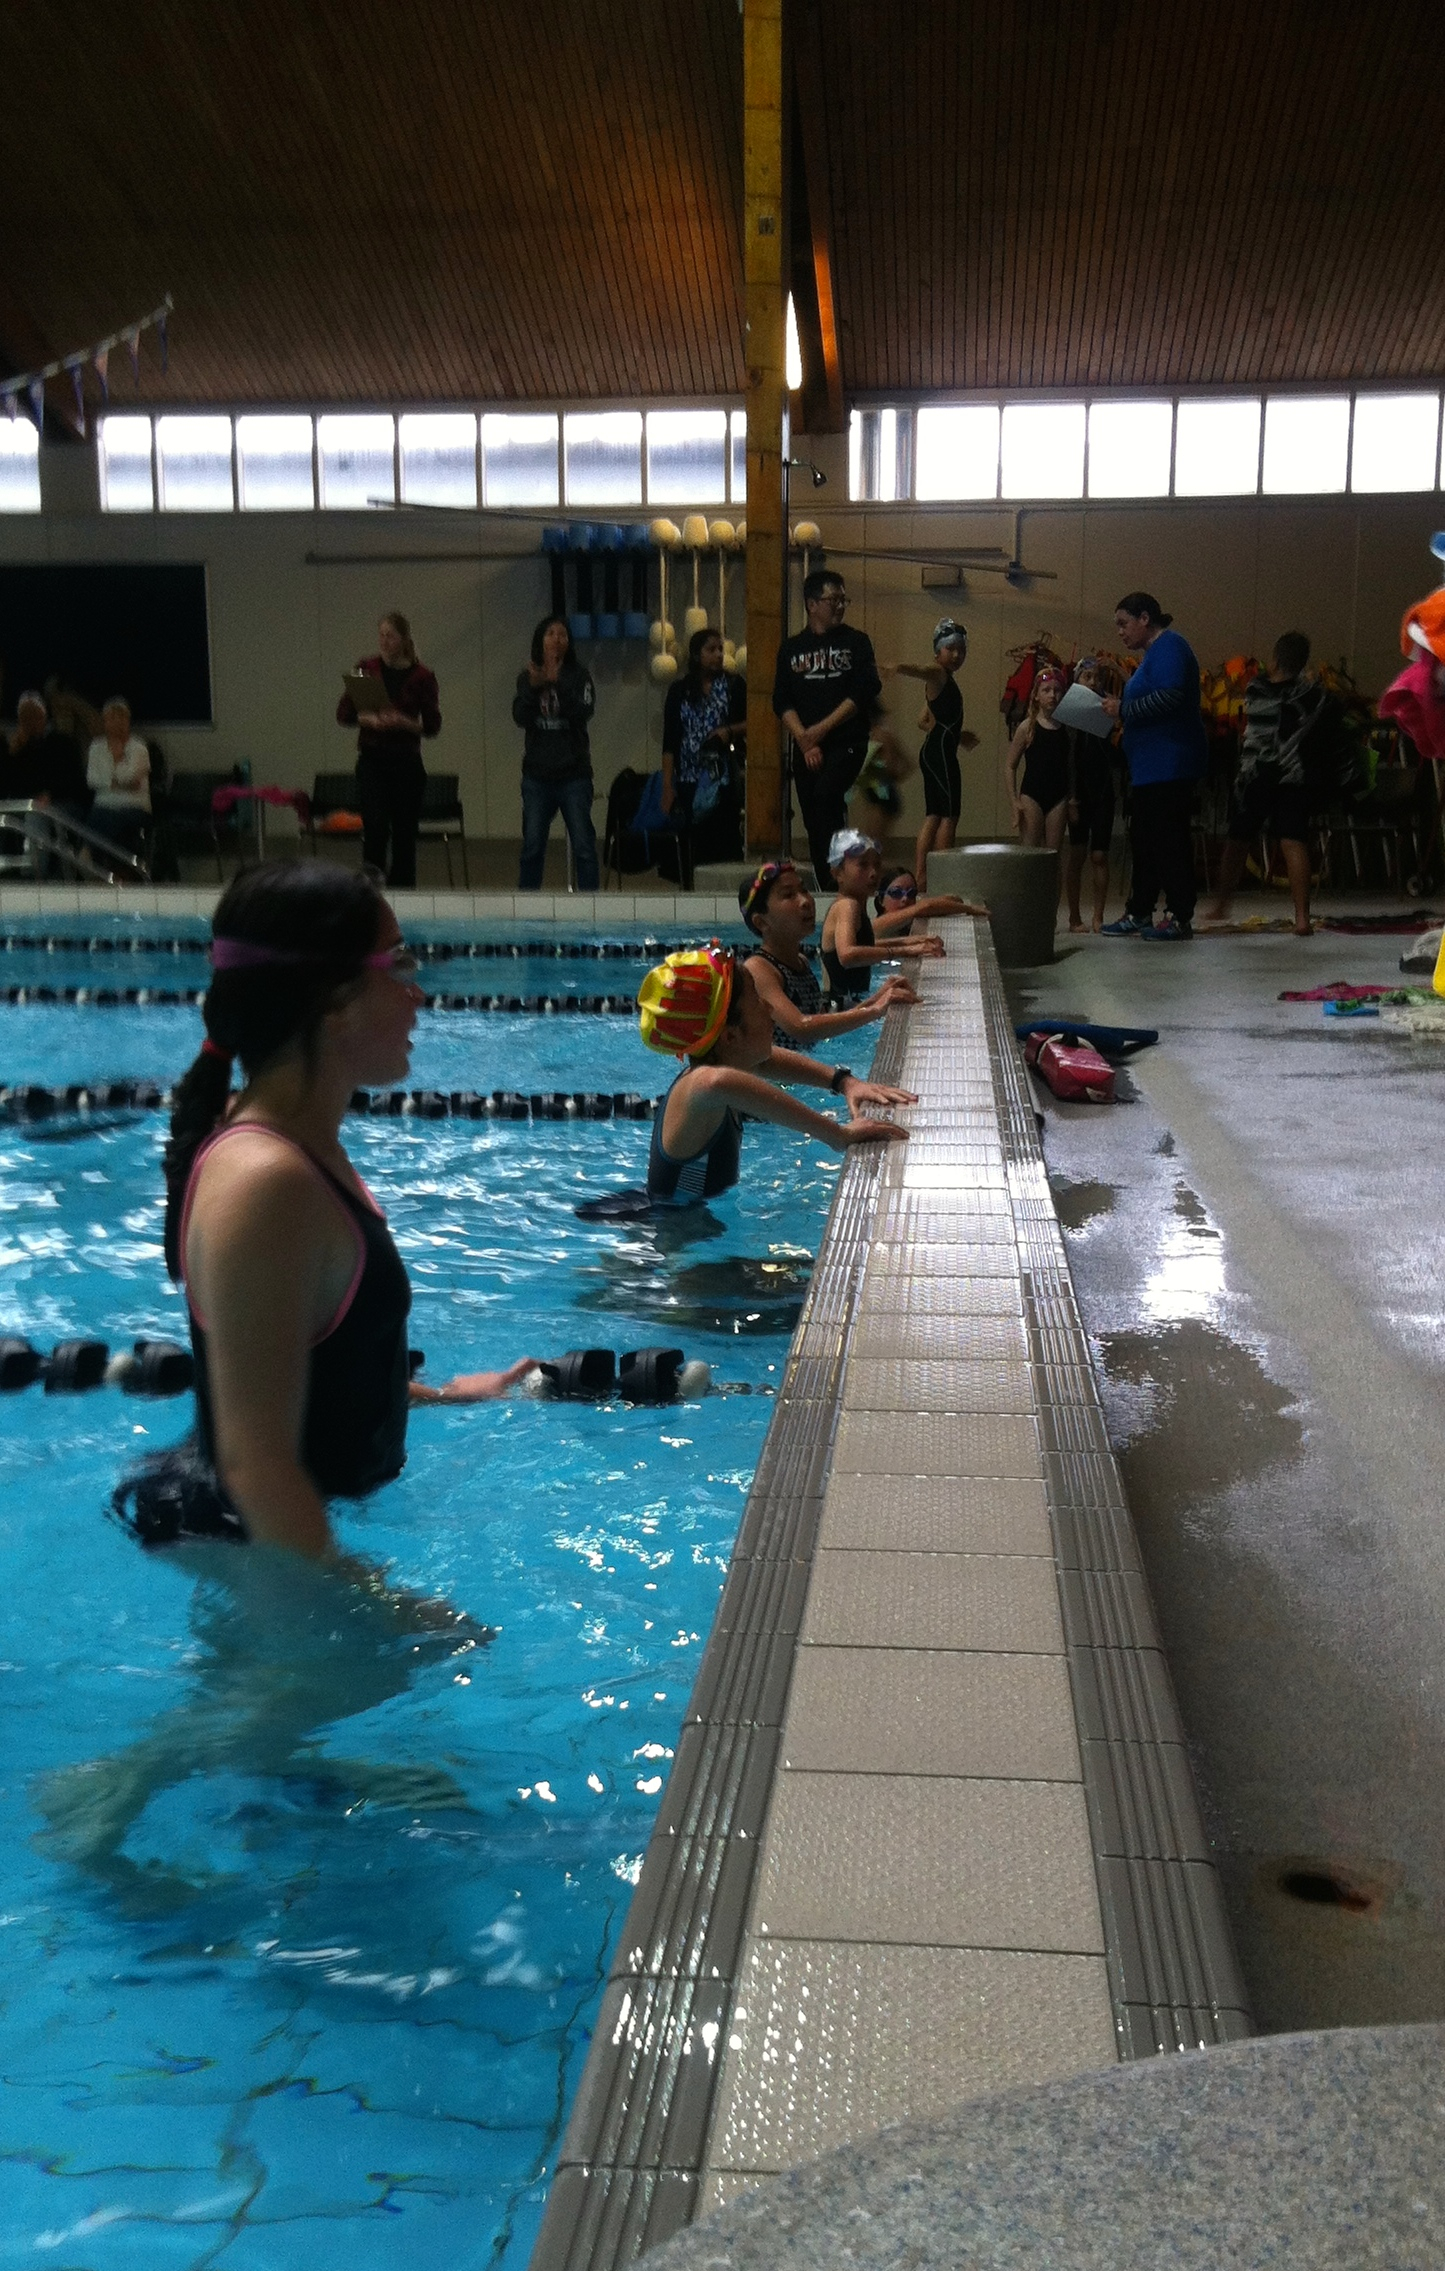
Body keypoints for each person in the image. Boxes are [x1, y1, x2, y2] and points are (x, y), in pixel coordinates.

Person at [114, 861, 537, 1558]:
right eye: (398, 964)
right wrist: (378, 1605)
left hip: (295, 1541)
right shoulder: (266, 1181)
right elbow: (256, 1472)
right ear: (334, 1000)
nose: (418, 992)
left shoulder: (295, 1147)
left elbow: (307, 1365)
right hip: (262, 1570)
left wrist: (440, 1396)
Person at [641, 945, 913, 1206]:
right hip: (671, 1228)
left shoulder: (729, 1061)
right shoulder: (698, 1089)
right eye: (757, 1001)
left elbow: (767, 1061)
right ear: (731, 1036)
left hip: (695, 1220)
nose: (769, 1008)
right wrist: (837, 1135)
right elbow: (716, 1082)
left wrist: (844, 1082)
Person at [1100, 592, 1208, 941]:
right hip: (1150, 767)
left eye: (1124, 623)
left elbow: (1171, 696)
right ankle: (1139, 910)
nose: (1120, 632)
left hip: (1170, 764)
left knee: (1169, 840)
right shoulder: (1152, 656)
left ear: (1145, 618)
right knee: (1144, 841)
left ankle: (1179, 915)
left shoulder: (1171, 646)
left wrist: (1124, 709)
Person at [1204, 633, 1327, 937]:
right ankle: (1302, 918)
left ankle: (1221, 905)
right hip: (1291, 775)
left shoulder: (1256, 688)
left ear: (1274, 659)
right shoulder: (1311, 694)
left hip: (1255, 775)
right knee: (1293, 841)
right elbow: (1322, 706)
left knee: (1237, 841)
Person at [773, 569, 882, 888]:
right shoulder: (791, 649)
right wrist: (804, 740)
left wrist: (819, 731)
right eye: (833, 600)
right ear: (811, 604)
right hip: (805, 745)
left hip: (845, 741)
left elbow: (863, 691)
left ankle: (843, 881)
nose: (840, 606)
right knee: (813, 817)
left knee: (826, 800)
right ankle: (827, 885)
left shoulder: (856, 642)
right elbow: (781, 700)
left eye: (843, 600)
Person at [739, 857, 919, 1049]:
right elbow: (801, 1028)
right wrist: (875, 1009)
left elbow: (822, 1027)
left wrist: (876, 999)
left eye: (804, 890)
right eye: (789, 895)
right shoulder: (759, 969)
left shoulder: (800, 962)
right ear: (761, 922)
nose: (805, 901)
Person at [335, 611, 441, 891]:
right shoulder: (365, 667)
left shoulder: (423, 676)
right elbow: (343, 714)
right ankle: (372, 889)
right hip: (373, 760)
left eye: (390, 636)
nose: (384, 641)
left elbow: (432, 726)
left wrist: (404, 722)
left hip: (406, 762)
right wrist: (367, 720)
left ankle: (403, 892)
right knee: (375, 827)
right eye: (381, 635)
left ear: (403, 640)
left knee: (405, 833)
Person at [820, 828, 982, 998]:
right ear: (837, 873)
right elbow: (847, 955)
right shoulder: (847, 906)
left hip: (845, 1003)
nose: (873, 873)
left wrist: (912, 942)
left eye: (876, 865)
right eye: (863, 865)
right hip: (840, 1007)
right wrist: (904, 951)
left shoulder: (851, 906)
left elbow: (865, 947)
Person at [888, 619, 980, 886]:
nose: (957, 655)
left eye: (961, 650)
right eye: (951, 649)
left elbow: (923, 720)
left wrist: (956, 735)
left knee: (934, 815)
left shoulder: (943, 681)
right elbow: (922, 669)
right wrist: (899, 667)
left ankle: (923, 875)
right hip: (940, 754)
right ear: (938, 651)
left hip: (933, 750)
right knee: (949, 816)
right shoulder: (938, 674)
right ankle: (941, 876)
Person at [513, 615, 599, 892]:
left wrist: (557, 683)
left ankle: (591, 905)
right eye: (550, 634)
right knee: (532, 845)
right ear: (540, 640)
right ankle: (527, 903)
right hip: (537, 776)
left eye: (562, 634)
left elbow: (583, 713)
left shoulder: (580, 676)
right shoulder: (528, 676)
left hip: (574, 774)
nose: (556, 639)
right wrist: (535, 686)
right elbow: (520, 716)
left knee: (584, 845)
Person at [658, 626, 746, 879]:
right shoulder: (680, 690)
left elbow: (753, 721)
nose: (718, 655)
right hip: (689, 777)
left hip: (722, 777)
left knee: (724, 839)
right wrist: (667, 784)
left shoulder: (733, 685)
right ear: (697, 655)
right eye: (711, 650)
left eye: (720, 649)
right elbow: (670, 740)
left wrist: (728, 731)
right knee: (692, 842)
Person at [2, 692, 91, 875]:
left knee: (36, 815)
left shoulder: (63, 742)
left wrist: (51, 795)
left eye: (33, 716)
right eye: (24, 717)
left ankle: (35, 875)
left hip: (64, 803)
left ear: (43, 716)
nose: (29, 722)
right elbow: (9, 785)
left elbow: (76, 783)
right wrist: (12, 755)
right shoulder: (18, 748)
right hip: (27, 803)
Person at [1063, 658, 1119, 933]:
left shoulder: (1107, 709)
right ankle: (1074, 916)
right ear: (1077, 681)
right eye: (1087, 677)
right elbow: (1068, 760)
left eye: (1097, 677)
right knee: (1076, 855)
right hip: (1079, 793)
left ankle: (1098, 916)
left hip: (1102, 791)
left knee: (1099, 855)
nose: (1093, 682)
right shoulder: (1069, 716)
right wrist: (1071, 797)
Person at [1005, 666, 1071, 849]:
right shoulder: (1027, 727)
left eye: (1057, 691)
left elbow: (1070, 765)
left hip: (1059, 796)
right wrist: (1014, 802)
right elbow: (1010, 766)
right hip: (1031, 795)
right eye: (1046, 690)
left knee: (1053, 853)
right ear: (1036, 695)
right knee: (1031, 853)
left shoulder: (1067, 729)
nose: (1052, 695)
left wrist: (1072, 797)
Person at [86, 697, 151, 863]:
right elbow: (92, 779)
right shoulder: (96, 747)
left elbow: (132, 777)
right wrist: (116, 783)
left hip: (134, 806)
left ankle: (95, 859)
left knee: (115, 822)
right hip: (103, 805)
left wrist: (117, 759)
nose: (117, 723)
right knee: (99, 818)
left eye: (121, 718)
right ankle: (105, 867)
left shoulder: (139, 748)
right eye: (112, 718)